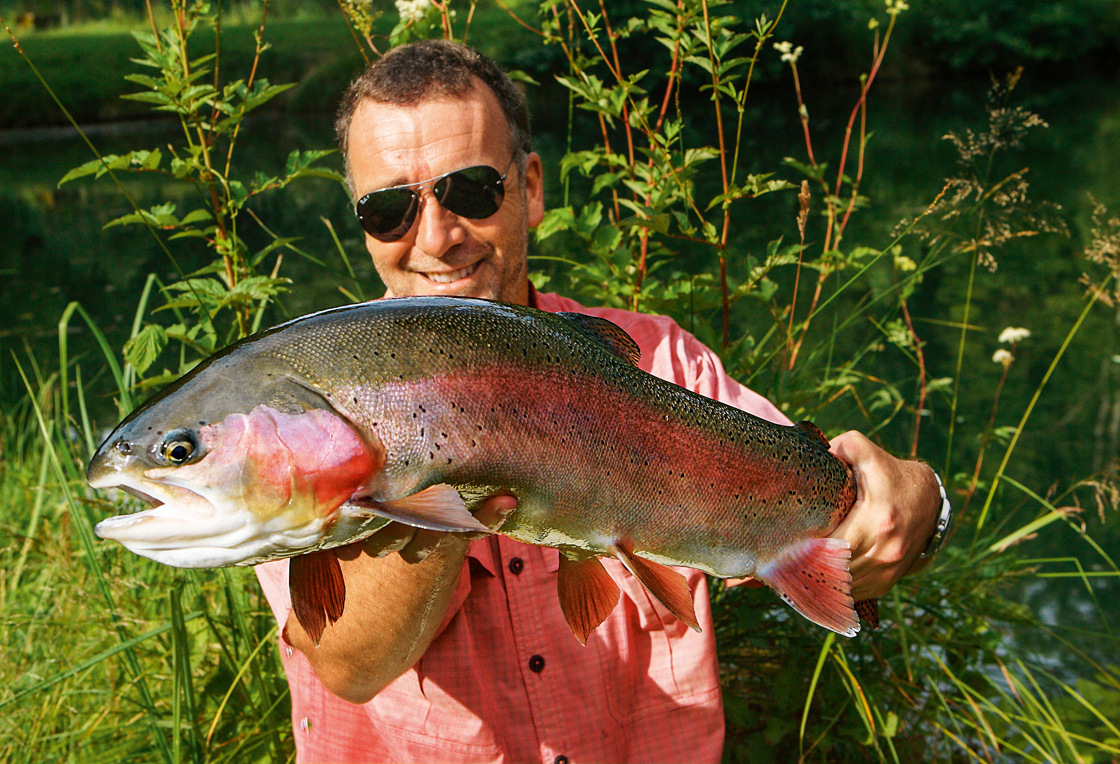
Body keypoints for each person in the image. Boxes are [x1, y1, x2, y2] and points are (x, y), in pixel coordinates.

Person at [255, 40, 946, 763]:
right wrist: (448, 457)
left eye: (472, 191)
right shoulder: (304, 409)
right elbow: (349, 666)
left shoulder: (662, 365)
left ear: (530, 187)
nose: (436, 236)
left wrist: (920, 504)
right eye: (389, 208)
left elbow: (840, 508)